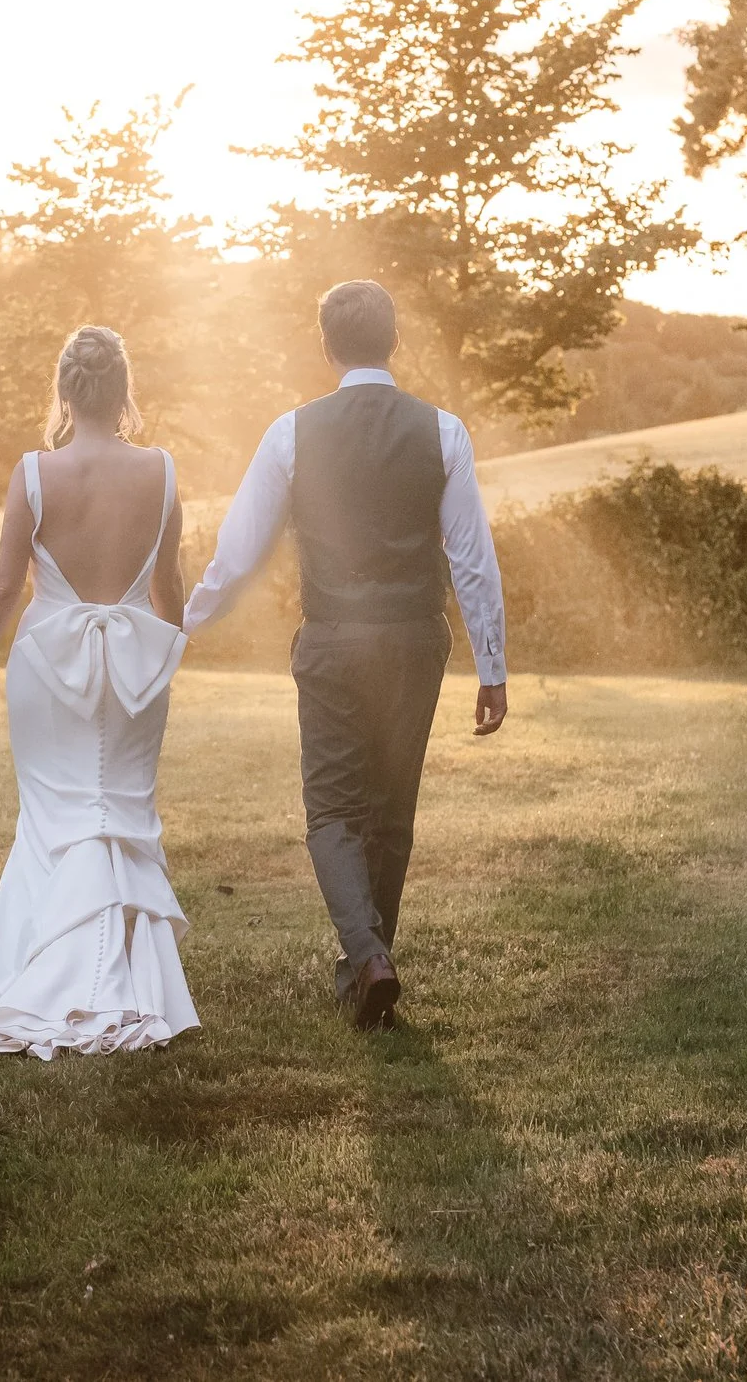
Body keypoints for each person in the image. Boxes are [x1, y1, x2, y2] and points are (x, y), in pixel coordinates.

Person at [186, 280, 507, 1030]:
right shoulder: (444, 432)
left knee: (332, 807)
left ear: (326, 348)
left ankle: (366, 959)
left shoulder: (291, 433)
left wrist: (186, 622)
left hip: (332, 639)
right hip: (412, 638)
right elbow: (472, 559)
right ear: (395, 342)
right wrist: (491, 664)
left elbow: (239, 554)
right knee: (391, 811)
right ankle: (369, 964)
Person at [0, 326, 199, 1057]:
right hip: (133, 665)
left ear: (65, 391)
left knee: (55, 815)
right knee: (120, 811)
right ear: (124, 391)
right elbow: (169, 585)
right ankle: (130, 986)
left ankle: (53, 976)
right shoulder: (161, 470)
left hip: (48, 665)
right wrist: (168, 650)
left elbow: (5, 583)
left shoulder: (34, 473)